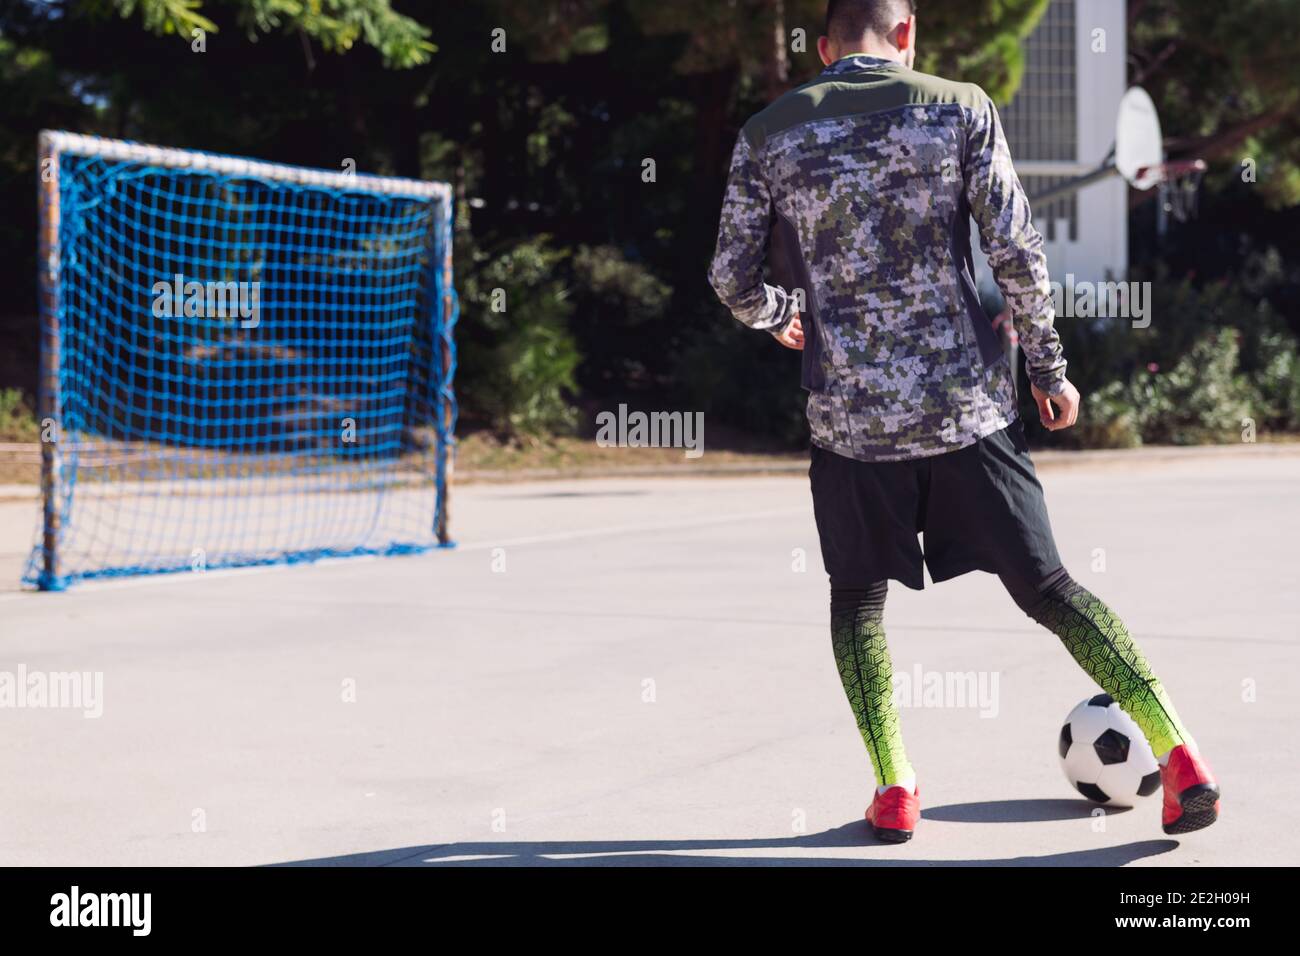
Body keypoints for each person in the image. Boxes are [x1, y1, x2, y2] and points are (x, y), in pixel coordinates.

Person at [707, 0, 1219, 842]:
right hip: (968, 415)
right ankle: (1180, 752)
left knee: (857, 600)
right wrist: (1051, 372)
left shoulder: (770, 131)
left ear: (826, 47)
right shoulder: (960, 106)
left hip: (850, 425)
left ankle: (895, 786)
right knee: (1051, 589)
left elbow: (729, 276)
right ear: (906, 34)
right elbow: (1018, 252)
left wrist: (778, 312)